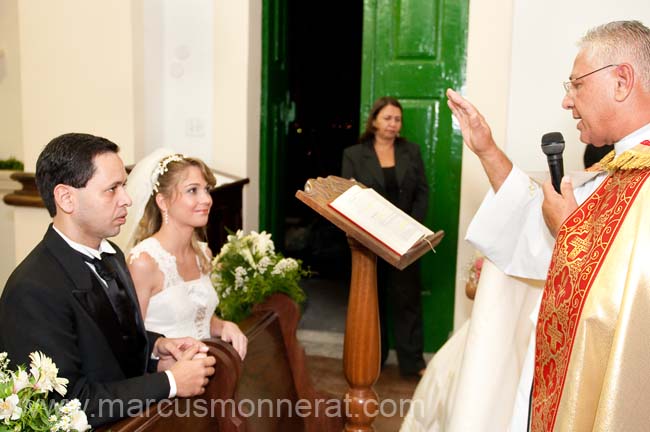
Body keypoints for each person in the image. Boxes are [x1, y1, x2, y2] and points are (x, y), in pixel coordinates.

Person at [442, 20, 650, 431]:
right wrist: (486, 149)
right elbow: (535, 217)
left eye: (576, 84)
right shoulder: (620, 171)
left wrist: (570, 229)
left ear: (622, 81)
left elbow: (629, 308)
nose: (567, 102)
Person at [0, 133, 217, 427]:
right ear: (66, 198)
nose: (126, 199)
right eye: (112, 189)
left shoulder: (111, 254)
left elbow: (108, 346)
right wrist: (169, 383)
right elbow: (65, 405)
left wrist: (156, 350)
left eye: (124, 187)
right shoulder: (33, 289)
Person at [119, 149, 247, 360]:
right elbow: (131, 342)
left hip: (208, 372)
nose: (206, 199)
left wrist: (223, 325)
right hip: (165, 383)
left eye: (206, 189)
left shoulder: (202, 254)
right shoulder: (144, 262)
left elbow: (198, 316)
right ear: (163, 202)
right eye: (192, 190)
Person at [341, 96, 429, 377]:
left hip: (405, 239)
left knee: (407, 301)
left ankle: (412, 364)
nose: (393, 123)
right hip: (370, 241)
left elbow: (422, 192)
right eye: (388, 118)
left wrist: (412, 229)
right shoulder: (354, 154)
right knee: (372, 303)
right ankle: (372, 362)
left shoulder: (411, 152)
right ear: (375, 120)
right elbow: (348, 197)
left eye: (398, 119)